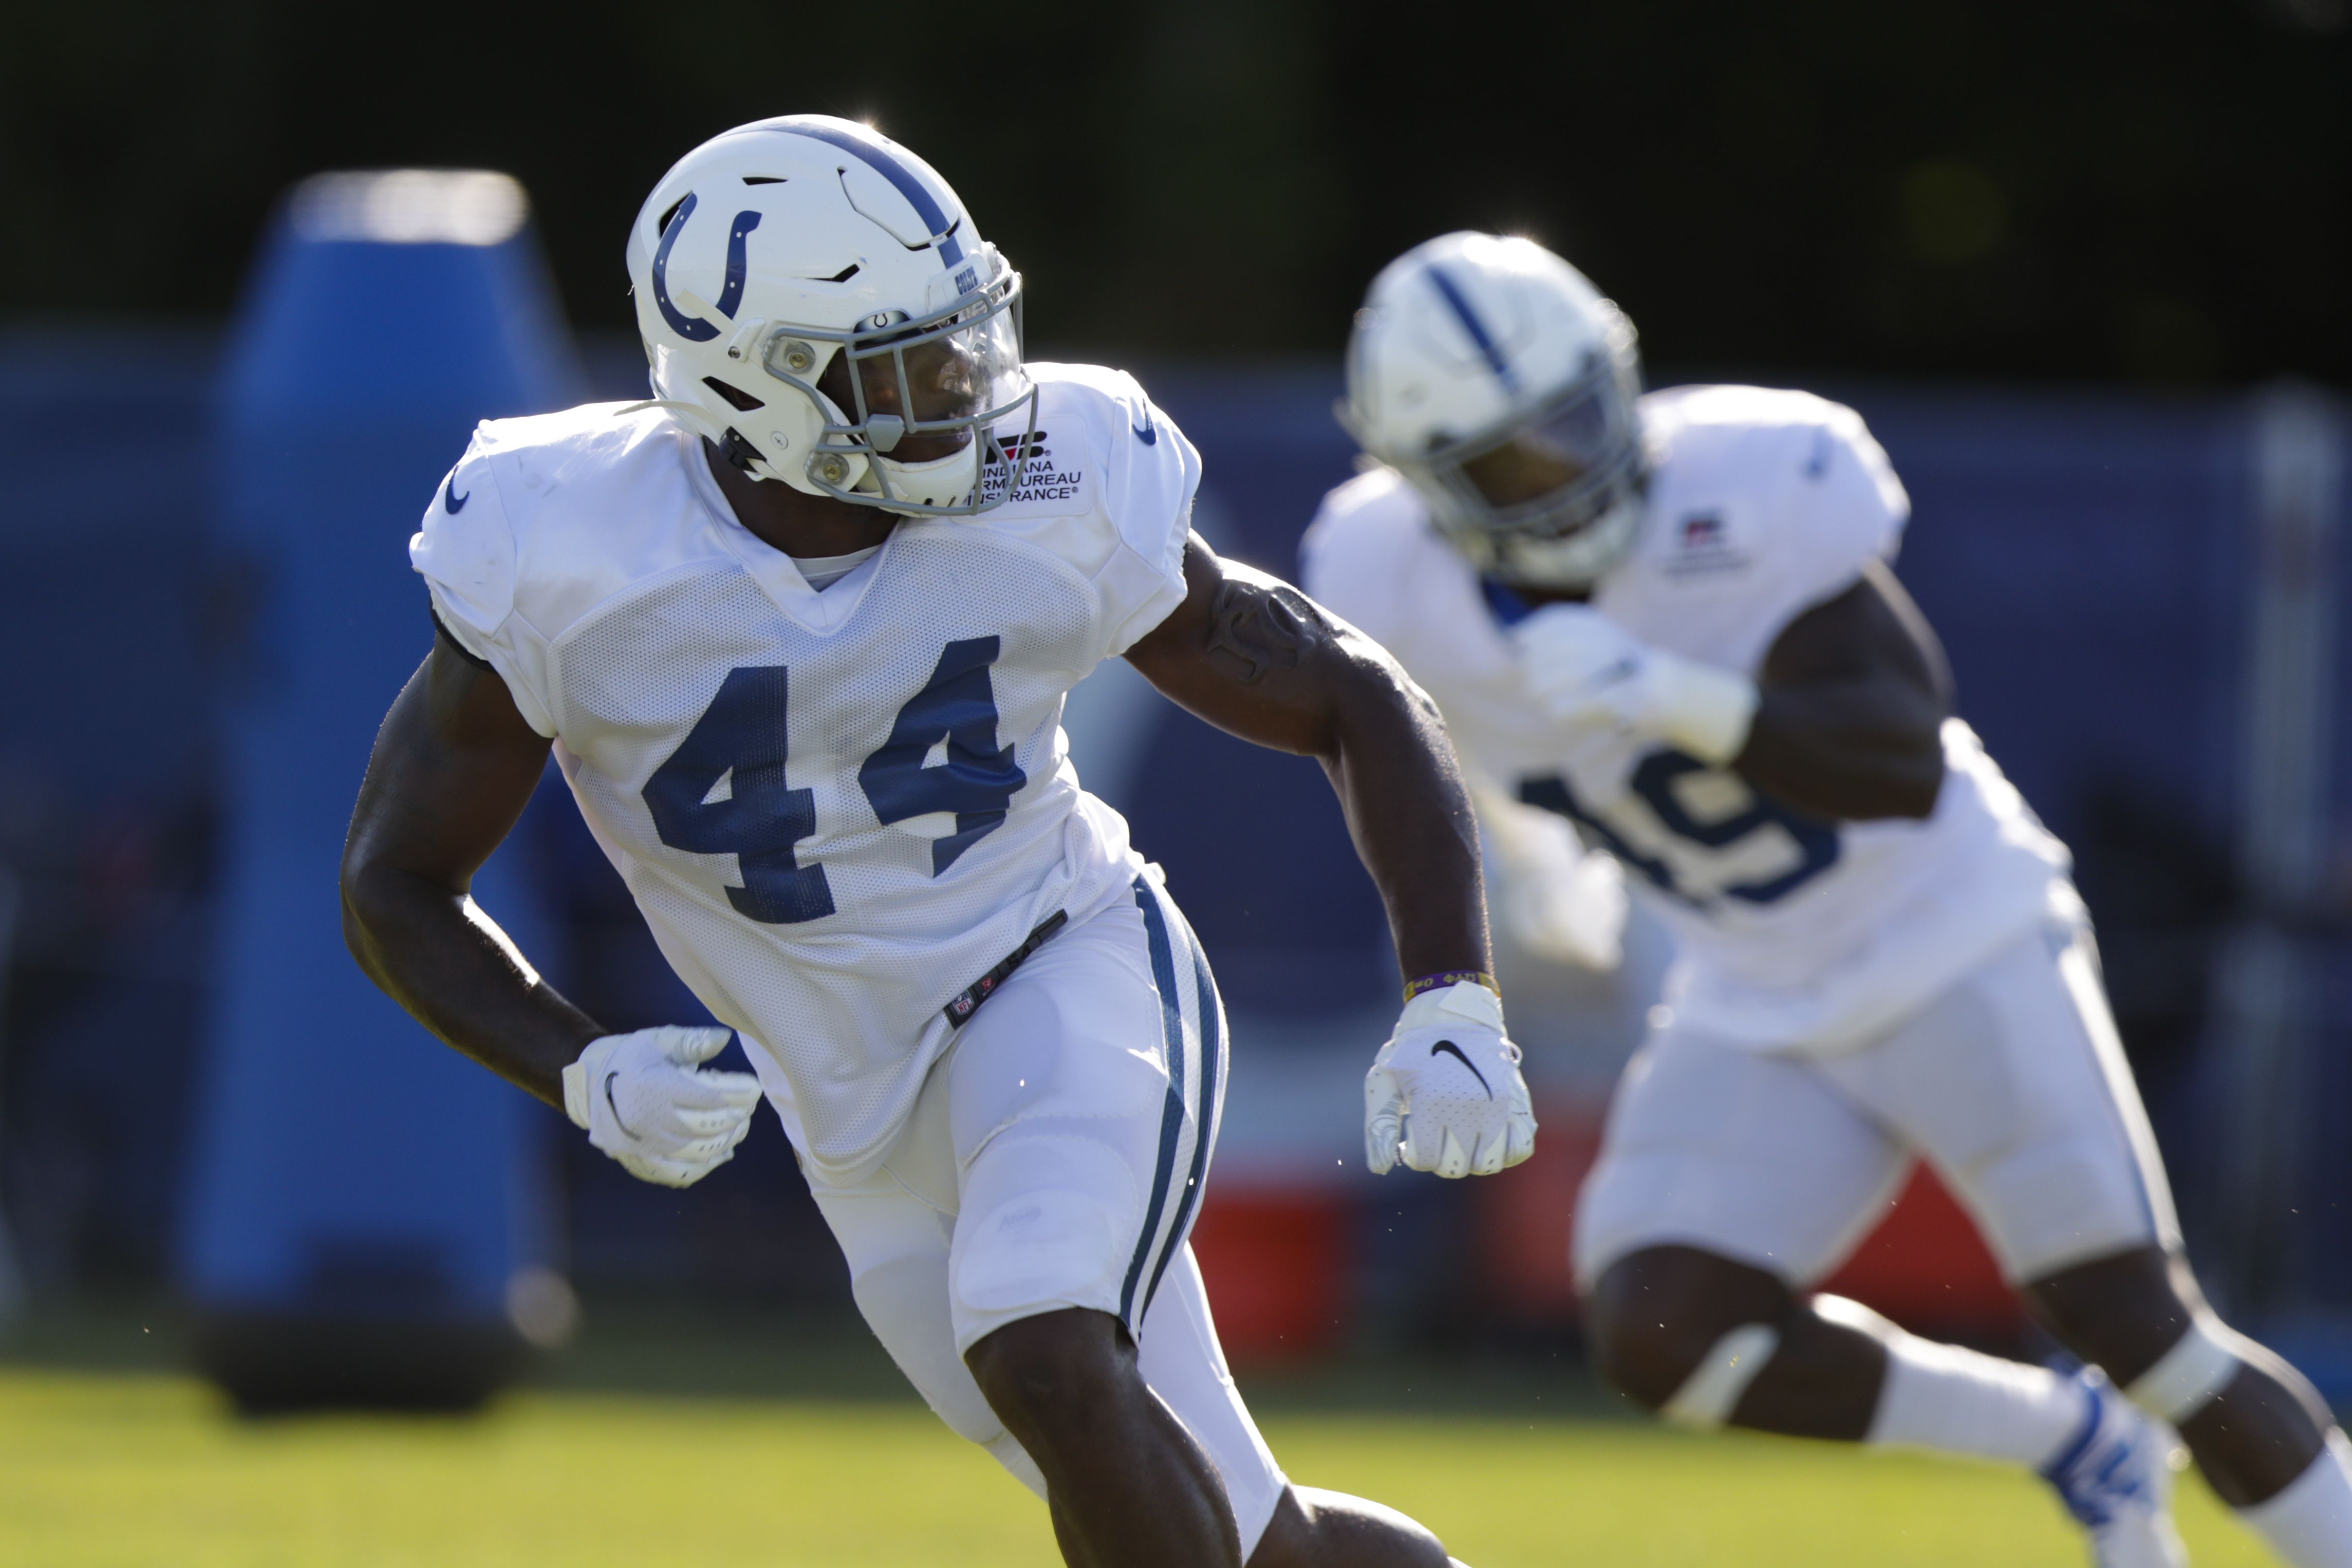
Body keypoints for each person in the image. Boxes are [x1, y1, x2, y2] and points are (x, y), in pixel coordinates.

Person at [338, 118, 1538, 1568]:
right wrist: (575, 1063)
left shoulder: (1056, 467)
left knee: (1041, 1343)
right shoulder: (560, 544)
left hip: (1060, 964)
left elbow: (1345, 691)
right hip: (848, 1103)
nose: (970, 392)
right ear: (747, 383)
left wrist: (1450, 990)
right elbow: (395, 880)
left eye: (968, 339)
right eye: (907, 364)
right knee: (1243, 1536)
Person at [1300, 230, 2352, 1568]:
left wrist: (1677, 695)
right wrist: (1525, 859)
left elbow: (1895, 754)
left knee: (2139, 1324)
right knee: (1658, 1325)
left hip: (1951, 935)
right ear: (1431, 481)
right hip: (1754, 985)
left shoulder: (1747, 486)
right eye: (1515, 457)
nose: (1567, 468)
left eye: (1577, 419)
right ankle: (2059, 1437)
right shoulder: (1387, 570)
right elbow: (1416, 749)